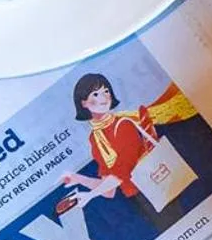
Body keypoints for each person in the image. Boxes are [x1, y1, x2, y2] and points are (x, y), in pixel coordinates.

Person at [60, 74, 198, 227]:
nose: (104, 97)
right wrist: (77, 179)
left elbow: (122, 172)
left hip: (156, 185)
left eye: (106, 91)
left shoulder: (124, 124)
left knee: (184, 228)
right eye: (96, 94)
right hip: (137, 199)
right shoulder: (95, 138)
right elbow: (109, 190)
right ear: (84, 103)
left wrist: (90, 195)